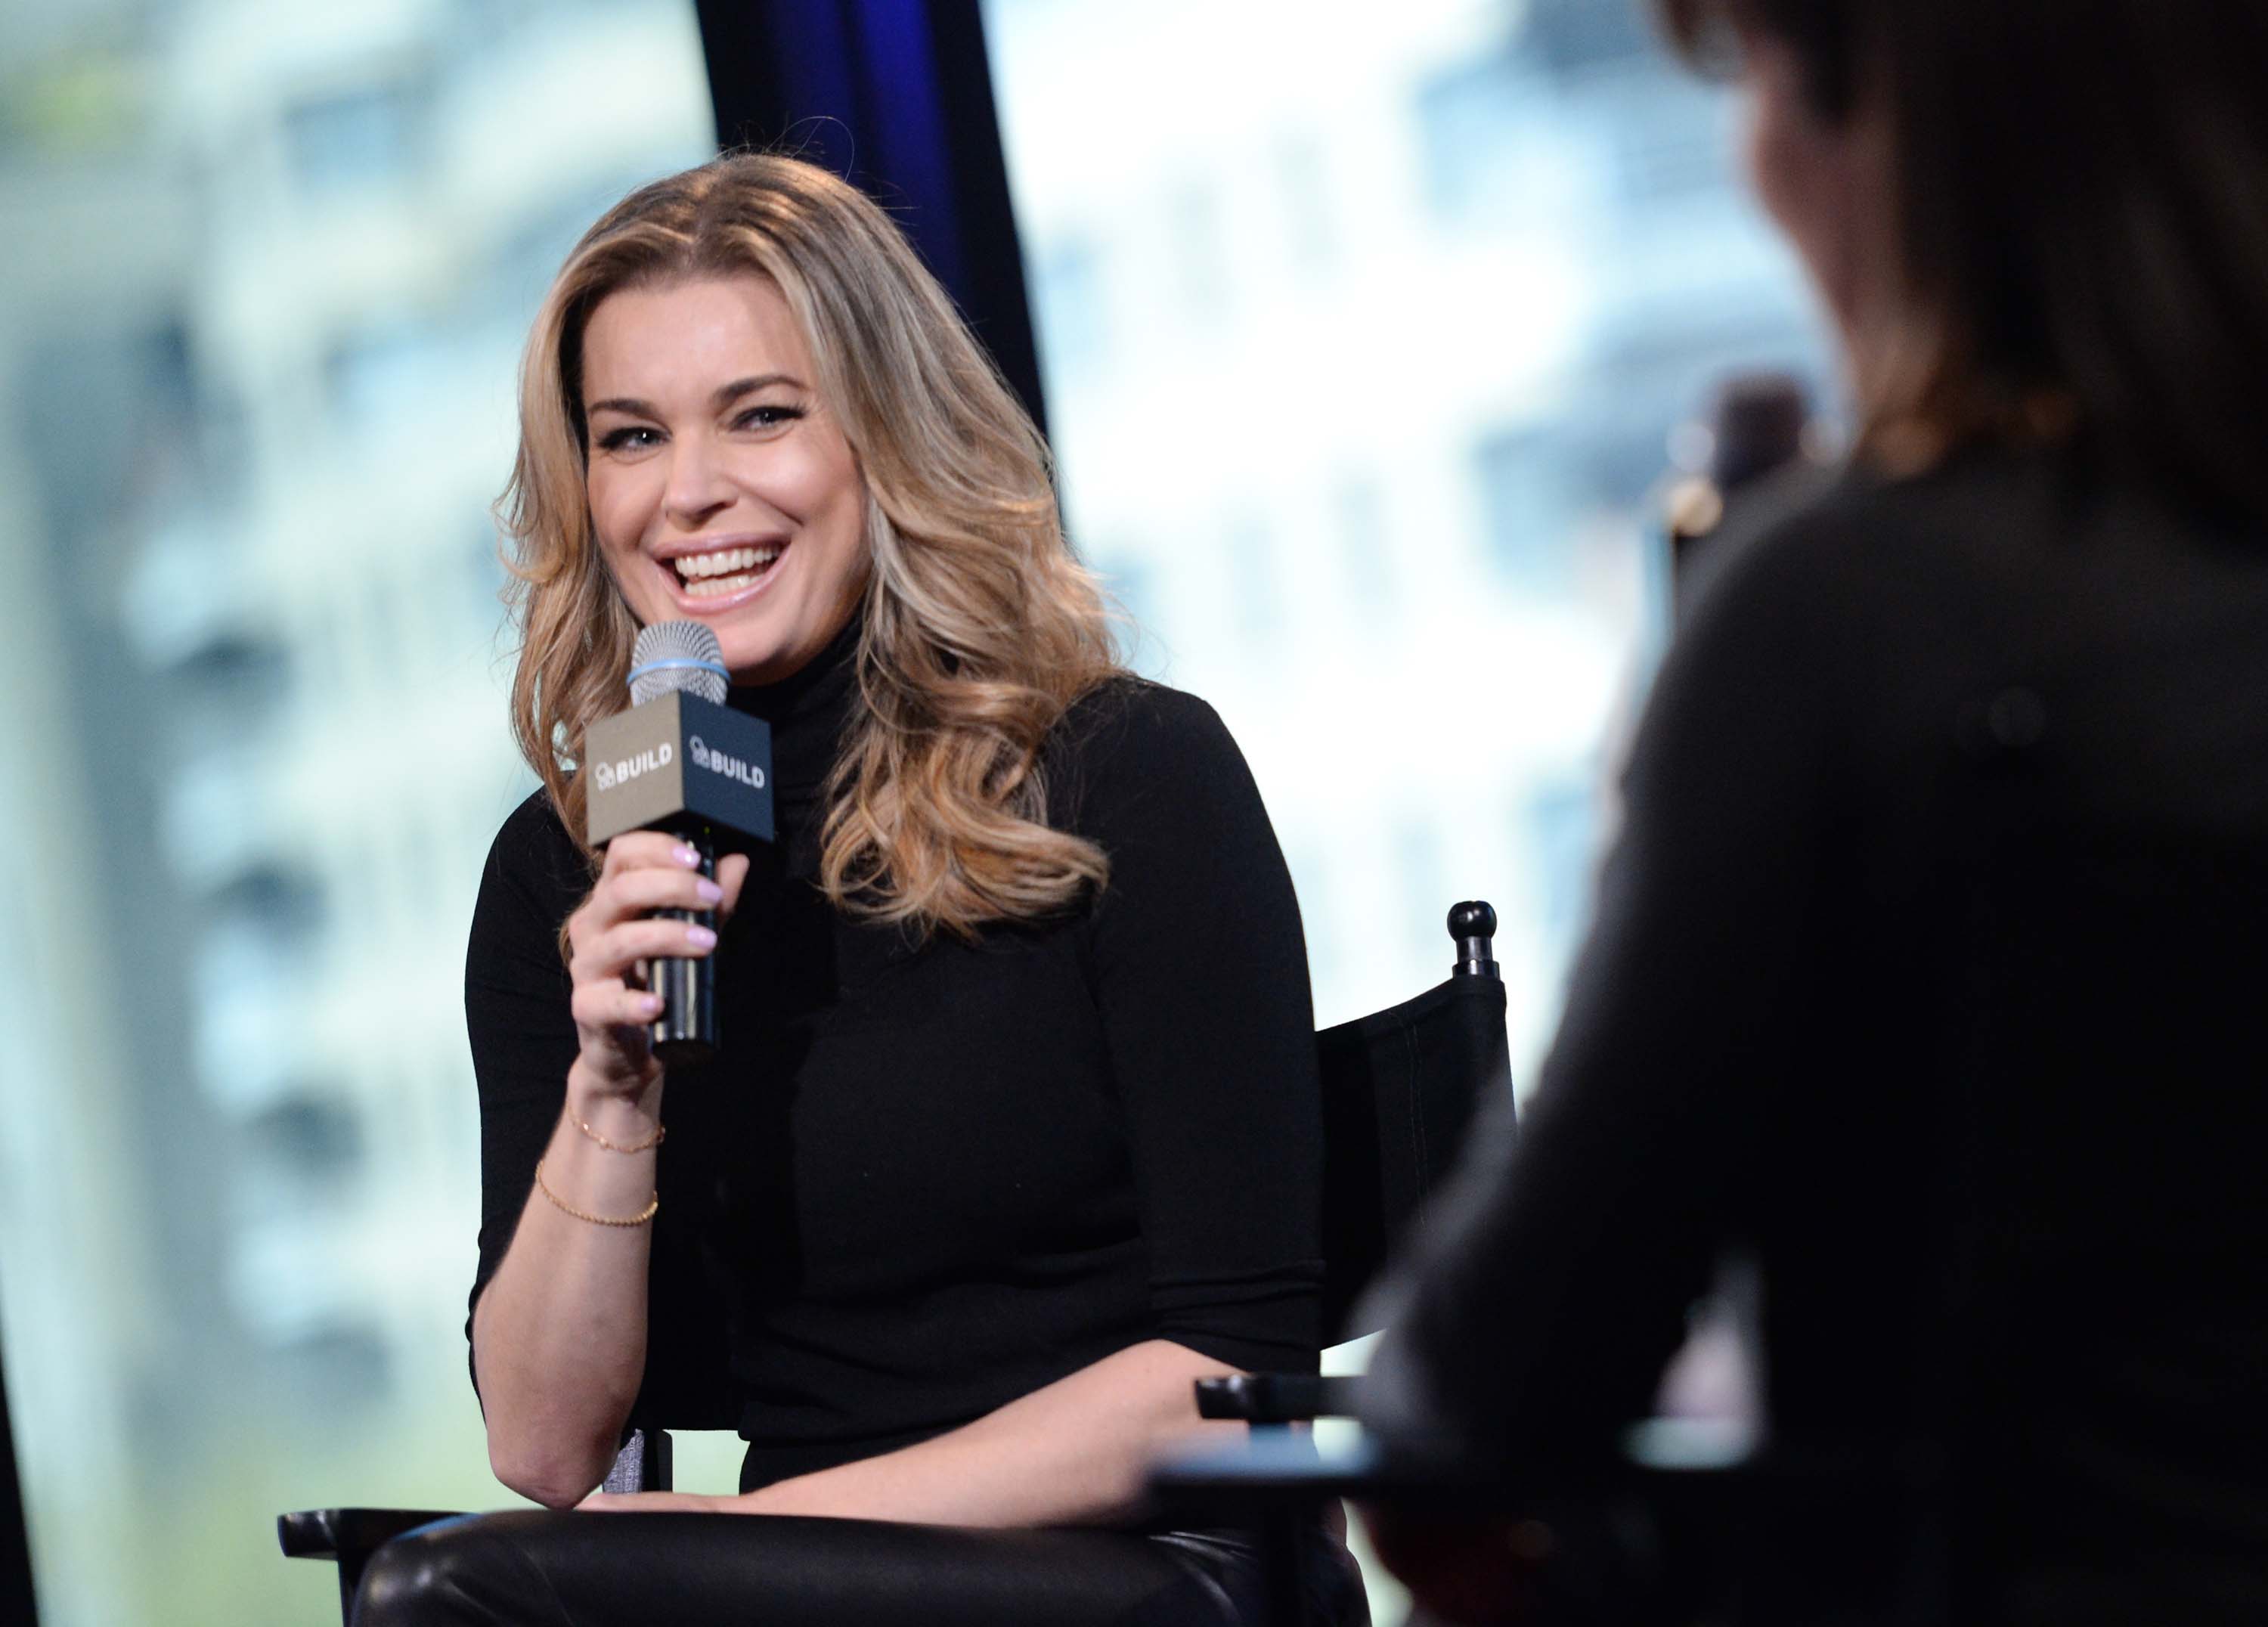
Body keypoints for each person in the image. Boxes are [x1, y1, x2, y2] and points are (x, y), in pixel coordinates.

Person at [354, 153, 1365, 1626]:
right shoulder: (561, 872)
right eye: (631, 436)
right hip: (790, 1584)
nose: (691, 493)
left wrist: (760, 1527)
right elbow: (546, 1444)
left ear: (884, 433)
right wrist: (614, 1086)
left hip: (1153, 1572)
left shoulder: (1126, 772)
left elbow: (1228, 1376)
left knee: (450, 1599)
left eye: (759, 415)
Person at [1362, 1, 2268, 1622]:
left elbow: (1491, 1382)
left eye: (1764, 80)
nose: (1751, 152)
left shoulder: (1850, 607)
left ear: (1896, 133)